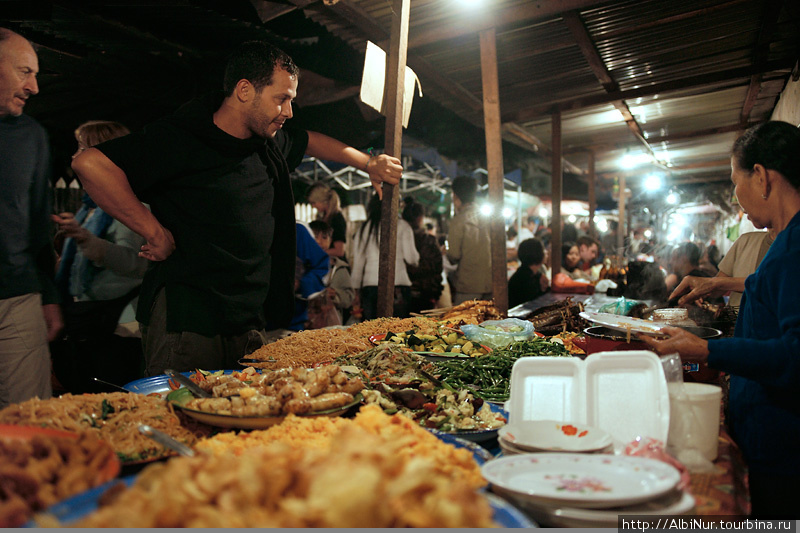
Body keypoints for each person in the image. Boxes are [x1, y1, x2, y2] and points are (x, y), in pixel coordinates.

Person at [71, 40, 402, 375]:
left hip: (248, 323)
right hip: (189, 323)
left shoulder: (267, 143)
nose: (288, 111)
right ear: (245, 90)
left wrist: (368, 163)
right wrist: (151, 229)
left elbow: (311, 140)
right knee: (183, 418)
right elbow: (92, 164)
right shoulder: (181, 136)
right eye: (282, 99)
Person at [639, 121, 800, 518]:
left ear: (761, 177)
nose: (735, 195)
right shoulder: (786, 240)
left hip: (786, 454)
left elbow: (796, 356)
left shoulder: (796, 246)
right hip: (771, 443)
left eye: (735, 180)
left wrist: (706, 349)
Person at [50, 120, 148, 393]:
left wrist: (88, 242)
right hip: (91, 320)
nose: (73, 157)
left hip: (119, 325)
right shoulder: (91, 205)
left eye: (81, 148)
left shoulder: (130, 206)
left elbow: (138, 264)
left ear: (102, 155)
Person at [0, 28, 62, 408]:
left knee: (32, 418)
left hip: (18, 297)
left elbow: (39, 224)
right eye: (25, 72)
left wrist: (49, 296)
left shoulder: (31, 136)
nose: (34, 87)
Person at [351, 194, 419, 320]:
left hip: (370, 286)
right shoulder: (403, 226)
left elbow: (358, 264)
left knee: (371, 333)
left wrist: (355, 291)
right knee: (397, 333)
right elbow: (411, 258)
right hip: (398, 285)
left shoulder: (364, 228)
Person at [446, 175, 492, 304]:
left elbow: (454, 255)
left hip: (469, 285)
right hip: (491, 283)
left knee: (464, 321)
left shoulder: (459, 220)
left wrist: (447, 252)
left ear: (456, 196)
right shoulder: (489, 218)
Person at [309, 220, 354, 326]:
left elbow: (349, 298)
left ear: (330, 241)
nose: (319, 242)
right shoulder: (299, 265)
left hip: (330, 326)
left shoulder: (339, 268)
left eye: (324, 238)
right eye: (315, 237)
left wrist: (335, 294)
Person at [402, 198, 443, 314]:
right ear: (420, 218)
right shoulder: (429, 240)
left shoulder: (397, 239)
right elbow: (437, 268)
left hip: (402, 292)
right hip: (425, 293)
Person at [307, 182, 347, 259]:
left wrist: (315, 252)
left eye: (314, 203)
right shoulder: (326, 217)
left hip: (336, 266)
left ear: (322, 201)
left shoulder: (336, 219)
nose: (313, 206)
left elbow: (339, 251)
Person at [508, 238, 548, 308]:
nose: (546, 252)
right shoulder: (524, 279)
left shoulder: (532, 274)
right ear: (537, 253)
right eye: (543, 250)